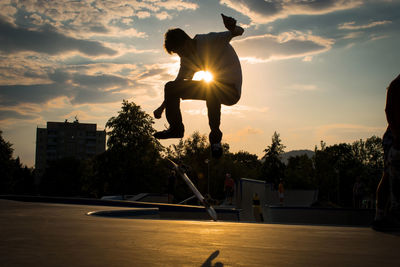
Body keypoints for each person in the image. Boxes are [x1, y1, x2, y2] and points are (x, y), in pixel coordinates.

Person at [153, 14, 244, 158]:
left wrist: (232, 27)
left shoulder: (209, 40)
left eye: (180, 51)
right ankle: (176, 128)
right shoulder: (187, 60)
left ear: (187, 41)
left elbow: (238, 32)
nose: (181, 56)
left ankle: (215, 139)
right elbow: (177, 84)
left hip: (232, 90)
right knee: (171, 86)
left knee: (211, 86)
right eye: (178, 54)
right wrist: (162, 107)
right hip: (215, 89)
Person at [372, 74, 400, 231]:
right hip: (394, 137)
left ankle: (387, 213)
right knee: (389, 174)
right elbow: (389, 110)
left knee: (390, 174)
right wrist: (396, 135)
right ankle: (381, 215)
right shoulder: (397, 84)